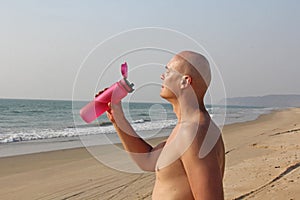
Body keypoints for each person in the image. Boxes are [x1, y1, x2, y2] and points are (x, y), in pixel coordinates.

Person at [105, 51, 225, 200]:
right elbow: (148, 160)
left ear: (185, 81)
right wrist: (118, 118)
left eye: (168, 71)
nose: (162, 76)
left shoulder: (194, 133)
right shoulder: (187, 128)